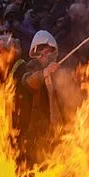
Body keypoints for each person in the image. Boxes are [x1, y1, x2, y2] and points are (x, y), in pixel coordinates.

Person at [20, 30, 61, 160]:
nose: (43, 54)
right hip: (39, 125)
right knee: (41, 159)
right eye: (39, 51)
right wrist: (45, 72)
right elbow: (28, 82)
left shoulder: (60, 67)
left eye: (46, 50)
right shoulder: (31, 67)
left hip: (60, 123)